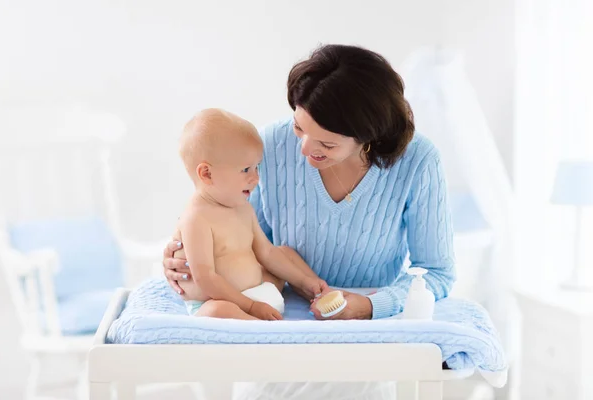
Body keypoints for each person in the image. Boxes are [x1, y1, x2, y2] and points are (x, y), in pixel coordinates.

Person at [163, 44, 456, 400]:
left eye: (325, 144)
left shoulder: (418, 163)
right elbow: (243, 238)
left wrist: (369, 307)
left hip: (362, 356)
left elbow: (436, 273)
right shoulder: (267, 145)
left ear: (368, 136)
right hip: (272, 344)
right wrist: (180, 257)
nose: (302, 149)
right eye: (298, 127)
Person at [174, 108, 328, 320]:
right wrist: (251, 306)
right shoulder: (196, 219)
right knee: (216, 312)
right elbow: (206, 279)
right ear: (207, 174)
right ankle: (261, 328)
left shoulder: (243, 207)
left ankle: (316, 293)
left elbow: (266, 252)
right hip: (220, 300)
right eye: (246, 170)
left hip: (258, 291)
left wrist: (304, 281)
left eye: (257, 167)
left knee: (285, 253)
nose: (255, 178)